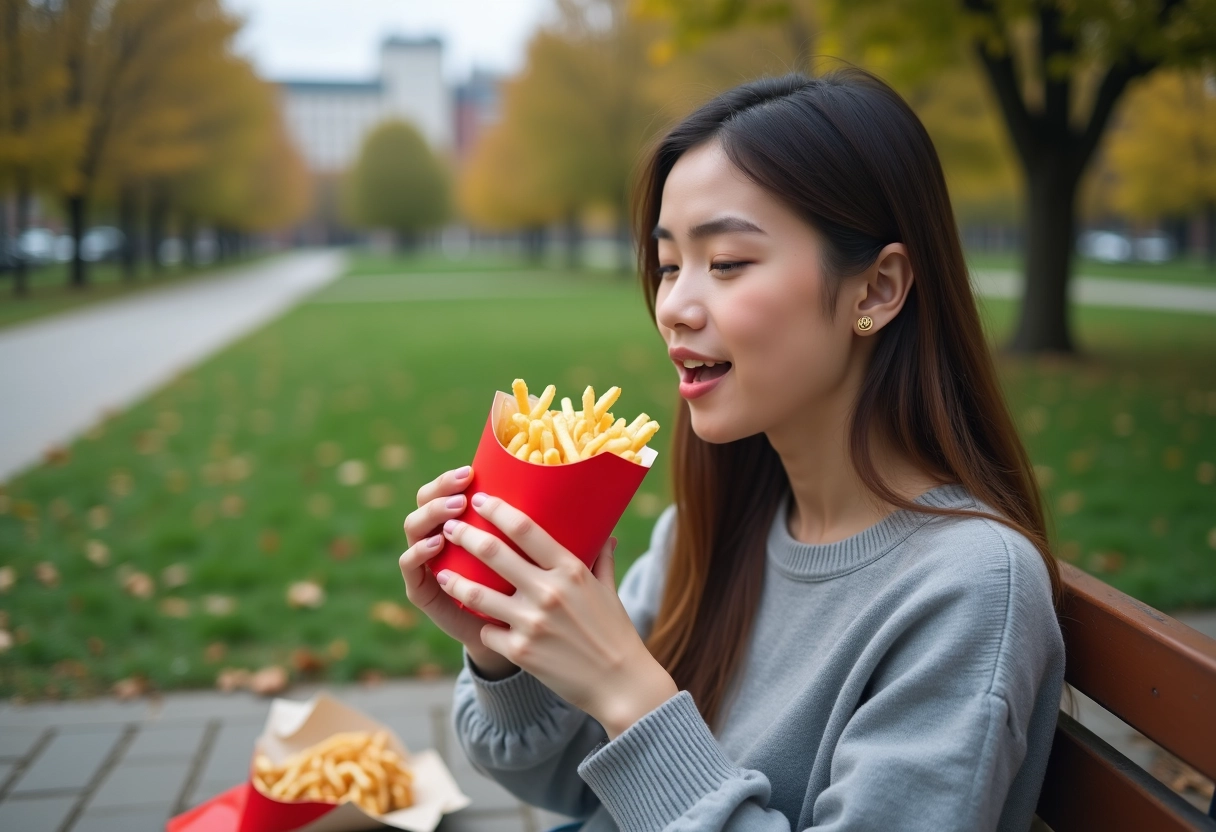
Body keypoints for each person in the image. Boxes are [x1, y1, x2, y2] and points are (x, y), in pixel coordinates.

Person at [398, 66, 1065, 832]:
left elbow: (632, 751)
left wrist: (628, 691)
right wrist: (501, 649)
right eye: (670, 263)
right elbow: (575, 789)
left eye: (726, 264)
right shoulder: (707, 529)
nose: (674, 306)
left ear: (877, 290)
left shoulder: (968, 588)